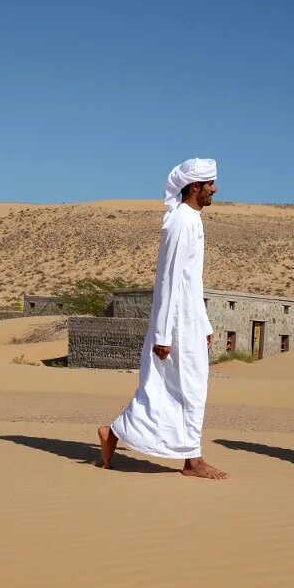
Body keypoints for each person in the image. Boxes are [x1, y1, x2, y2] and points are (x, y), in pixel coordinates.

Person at [98, 158, 228, 479]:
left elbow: (191, 281)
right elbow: (168, 279)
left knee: (188, 389)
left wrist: (205, 323)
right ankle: (190, 460)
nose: (215, 188)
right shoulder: (183, 221)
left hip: (189, 321)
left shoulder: (191, 220)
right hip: (176, 324)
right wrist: (162, 335)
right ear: (194, 187)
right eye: (210, 183)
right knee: (176, 388)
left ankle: (118, 435)